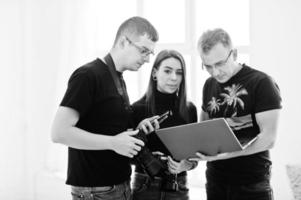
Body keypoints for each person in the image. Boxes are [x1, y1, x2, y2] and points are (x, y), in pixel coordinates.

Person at [51, 16, 159, 200]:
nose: (148, 59)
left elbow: (107, 127)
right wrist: (113, 143)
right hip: (97, 191)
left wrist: (138, 129)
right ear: (124, 42)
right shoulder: (87, 76)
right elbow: (59, 133)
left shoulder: (117, 77)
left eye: (150, 53)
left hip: (118, 185)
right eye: (144, 51)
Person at [192, 28, 282, 200]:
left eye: (219, 64)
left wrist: (227, 154)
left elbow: (268, 139)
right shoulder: (209, 84)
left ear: (234, 54)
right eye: (208, 66)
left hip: (251, 183)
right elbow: (204, 129)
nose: (215, 72)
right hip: (215, 179)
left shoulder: (262, 83)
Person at [131, 49, 198, 200]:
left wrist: (184, 165)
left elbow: (195, 158)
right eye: (167, 71)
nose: (174, 78)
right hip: (144, 185)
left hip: (178, 185)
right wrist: (146, 155)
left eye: (179, 73)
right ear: (155, 73)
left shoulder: (189, 110)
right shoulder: (137, 109)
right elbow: (126, 156)